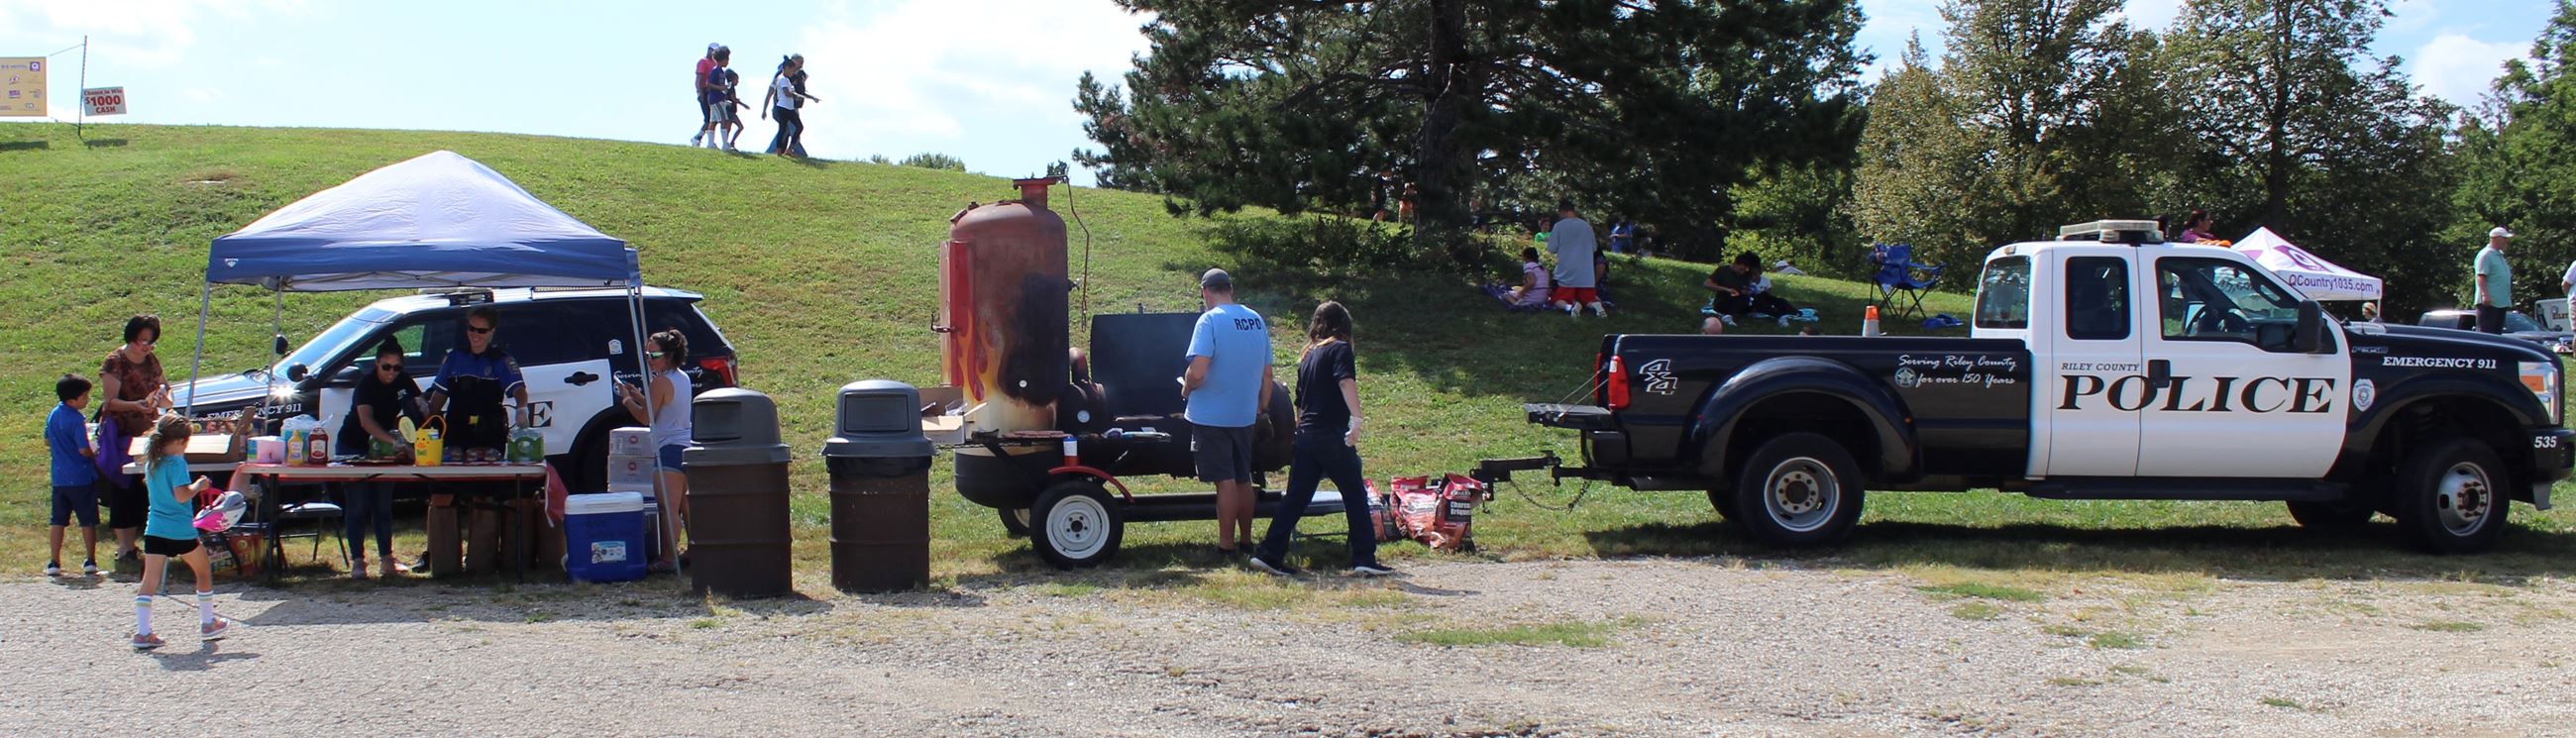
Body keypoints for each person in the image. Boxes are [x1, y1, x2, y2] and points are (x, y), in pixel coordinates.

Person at [1248, 301, 1394, 578]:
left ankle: (1269, 553)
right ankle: (1364, 557)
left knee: (1296, 498)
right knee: (1354, 493)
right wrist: (1357, 419)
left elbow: (1300, 401)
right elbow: (1345, 381)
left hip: (1306, 434)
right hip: (1330, 433)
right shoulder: (1339, 348)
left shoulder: (1309, 355)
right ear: (1344, 325)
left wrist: (1300, 431)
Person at [1181, 268, 1274, 559]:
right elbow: (1267, 374)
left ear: (1205, 292)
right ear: (1230, 289)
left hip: (1211, 416)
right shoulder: (1255, 319)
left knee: (1225, 480)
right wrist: (1261, 406)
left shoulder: (1209, 320)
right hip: (1244, 414)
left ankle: (1225, 546)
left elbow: (1198, 371)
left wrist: (1186, 387)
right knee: (1243, 478)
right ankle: (1246, 541)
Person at [133, 415, 237, 650]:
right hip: (180, 530)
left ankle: (142, 631)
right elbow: (181, 495)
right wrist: (199, 485)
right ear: (180, 441)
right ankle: (208, 622)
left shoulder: (152, 463)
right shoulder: (177, 464)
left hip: (155, 529)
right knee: (203, 571)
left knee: (149, 580)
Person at [336, 339, 421, 580]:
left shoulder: (404, 381)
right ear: (377, 363)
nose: (391, 373)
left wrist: (417, 434)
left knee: (382, 505)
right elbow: (366, 421)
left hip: (383, 449)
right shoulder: (366, 384)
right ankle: (358, 561)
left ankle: (386, 559)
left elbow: (420, 407)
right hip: (353, 445)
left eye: (397, 368)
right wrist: (395, 442)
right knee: (357, 505)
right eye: (386, 367)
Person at [618, 329, 694, 570]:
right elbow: (661, 408)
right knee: (685, 506)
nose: (649, 359)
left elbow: (645, 417)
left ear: (669, 355)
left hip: (669, 449)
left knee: (667, 509)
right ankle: (695, 551)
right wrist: (639, 396)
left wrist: (627, 400)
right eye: (647, 354)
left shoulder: (660, 381)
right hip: (685, 445)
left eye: (655, 355)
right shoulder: (681, 377)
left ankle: (669, 558)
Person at [98, 314, 169, 569]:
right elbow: (110, 402)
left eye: (151, 341)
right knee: (124, 487)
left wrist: (162, 398)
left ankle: (143, 542)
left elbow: (164, 386)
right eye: (143, 340)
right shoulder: (115, 361)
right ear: (132, 338)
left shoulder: (151, 360)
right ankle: (125, 546)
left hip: (148, 432)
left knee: (143, 487)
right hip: (122, 432)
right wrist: (136, 405)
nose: (147, 346)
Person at [425, 307, 529, 453]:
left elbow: (518, 389)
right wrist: (427, 417)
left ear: (491, 331)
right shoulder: (454, 358)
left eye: (481, 331)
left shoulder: (500, 360)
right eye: (471, 329)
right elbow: (440, 394)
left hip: (488, 432)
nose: (475, 334)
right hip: (456, 431)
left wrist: (522, 409)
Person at [46, 373, 102, 578]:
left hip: (60, 476)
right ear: (72, 401)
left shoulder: (53, 414)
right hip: (81, 476)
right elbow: (83, 449)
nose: (87, 400)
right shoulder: (77, 419)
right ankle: (90, 560)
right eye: (84, 396)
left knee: (58, 520)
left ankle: (54, 561)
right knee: (88, 521)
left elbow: (47, 441)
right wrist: (94, 452)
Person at [1549, 201, 1605, 317]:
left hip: (1566, 273)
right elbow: (1594, 248)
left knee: (1559, 299)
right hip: (1586, 274)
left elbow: (1552, 249)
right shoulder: (1586, 226)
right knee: (1589, 299)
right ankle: (1597, 307)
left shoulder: (1559, 226)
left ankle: (1570, 307)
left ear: (1563, 211)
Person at [764, 54, 820, 158]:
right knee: (793, 128)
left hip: (792, 108)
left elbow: (800, 92)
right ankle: (797, 152)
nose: (801, 65)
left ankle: (776, 150)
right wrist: (765, 109)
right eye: (800, 62)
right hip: (782, 108)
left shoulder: (799, 75)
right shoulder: (782, 76)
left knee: (786, 130)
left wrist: (812, 97)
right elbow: (773, 91)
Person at [2476, 226, 2515, 335]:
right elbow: (2481, 276)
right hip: (2489, 303)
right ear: (2495, 238)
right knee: (2486, 335)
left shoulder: (2499, 255)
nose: (2506, 241)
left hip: (2501, 302)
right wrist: (2485, 295)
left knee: (2497, 336)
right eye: (2504, 238)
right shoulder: (2486, 254)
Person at [695, 46, 731, 150]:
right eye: (727, 59)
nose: (728, 61)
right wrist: (721, 88)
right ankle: (725, 144)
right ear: (722, 59)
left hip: (717, 98)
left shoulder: (721, 72)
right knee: (723, 119)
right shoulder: (715, 71)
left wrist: (724, 89)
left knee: (713, 120)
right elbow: (709, 83)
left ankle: (710, 144)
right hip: (716, 99)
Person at [688, 43, 720, 147]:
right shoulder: (703, 62)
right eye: (713, 50)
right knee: (709, 118)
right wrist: (700, 93)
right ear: (709, 50)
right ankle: (698, 138)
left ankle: (706, 140)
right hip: (705, 92)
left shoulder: (715, 63)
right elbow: (699, 79)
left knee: (713, 118)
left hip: (712, 93)